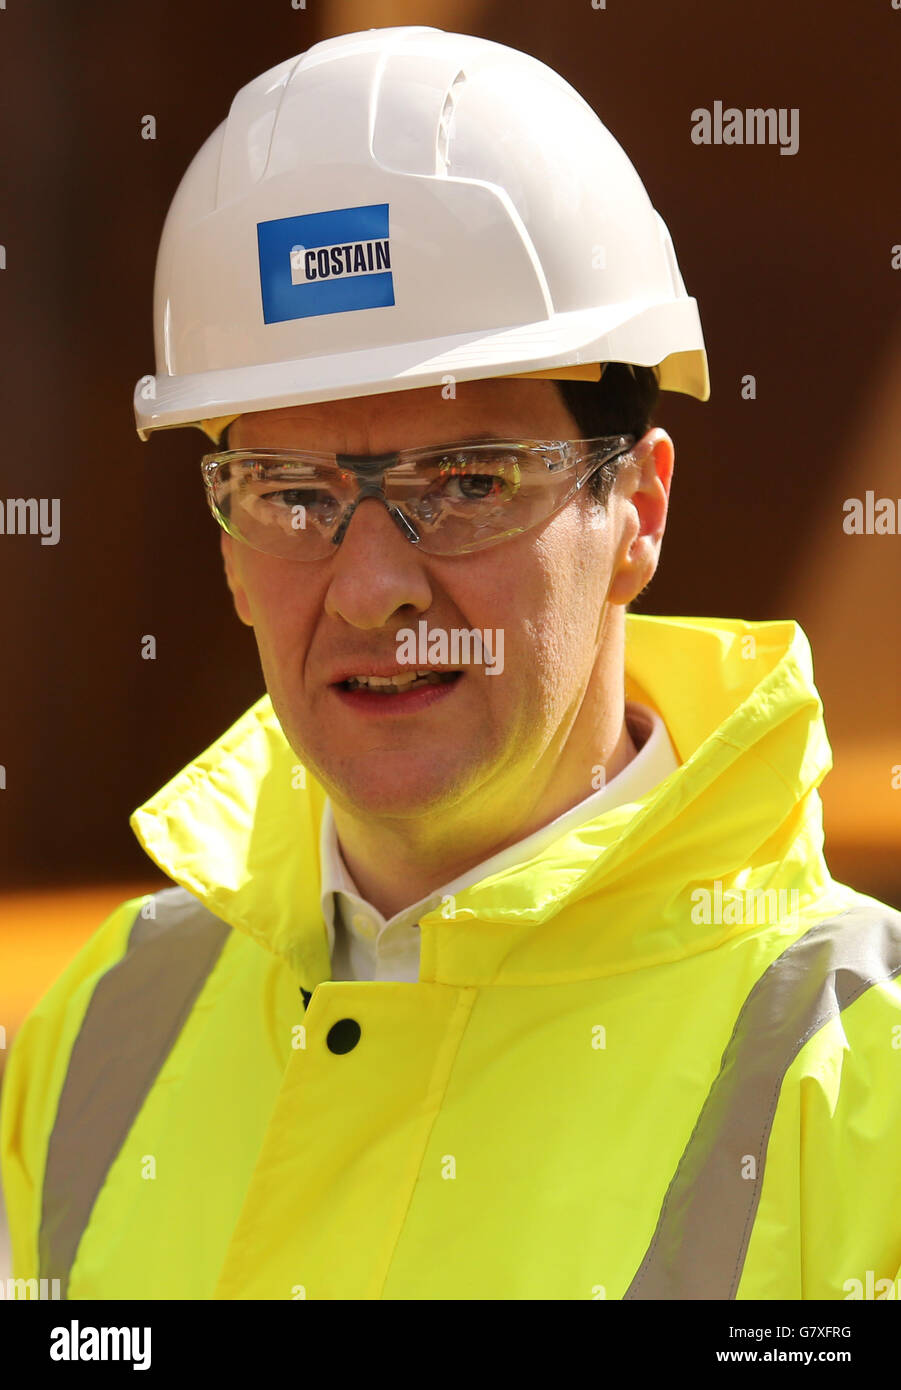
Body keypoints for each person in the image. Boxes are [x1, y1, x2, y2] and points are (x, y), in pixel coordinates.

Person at [2, 25, 900, 1303]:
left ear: (636, 510)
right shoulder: (105, 1029)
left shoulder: (864, 1081)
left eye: (468, 481)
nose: (374, 588)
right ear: (225, 542)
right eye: (290, 492)